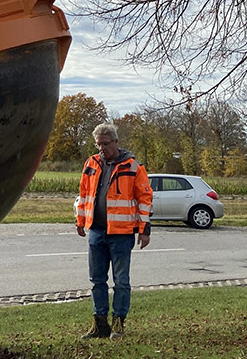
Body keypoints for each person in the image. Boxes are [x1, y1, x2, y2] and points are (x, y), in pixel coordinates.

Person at [75, 123, 152, 340]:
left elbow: (145, 199)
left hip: (121, 234)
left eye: (105, 144)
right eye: (98, 144)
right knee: (96, 280)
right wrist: (80, 221)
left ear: (116, 142)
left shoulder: (132, 166)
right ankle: (100, 324)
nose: (101, 148)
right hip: (96, 231)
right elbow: (84, 194)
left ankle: (118, 323)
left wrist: (144, 230)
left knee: (121, 281)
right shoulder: (91, 163)